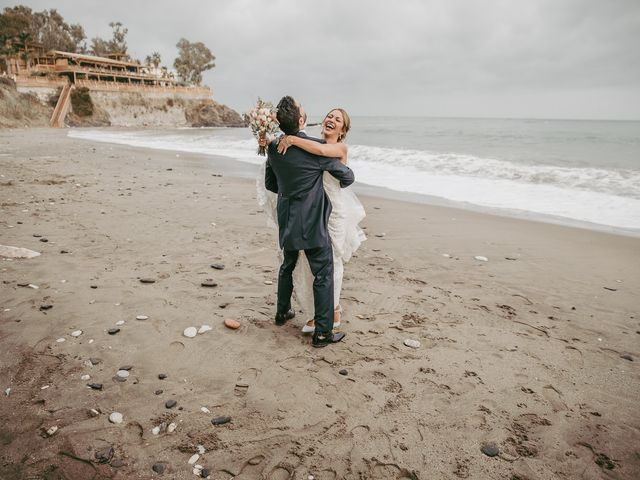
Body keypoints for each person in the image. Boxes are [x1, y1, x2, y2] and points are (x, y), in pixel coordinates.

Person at [264, 96, 354, 348]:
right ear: (301, 120)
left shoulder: (273, 147)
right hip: (312, 220)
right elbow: (346, 176)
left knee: (288, 264)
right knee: (324, 271)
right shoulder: (313, 147)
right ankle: (323, 333)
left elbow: (271, 184)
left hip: (288, 219)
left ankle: (282, 312)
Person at [277, 108, 366, 333]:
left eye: (338, 120)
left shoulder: (338, 148)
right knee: (312, 265)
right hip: (314, 210)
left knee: (333, 262)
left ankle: (332, 313)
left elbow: (318, 150)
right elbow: (311, 150)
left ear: (343, 130)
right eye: (330, 116)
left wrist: (292, 138)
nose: (331, 120)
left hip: (334, 210)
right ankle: (318, 314)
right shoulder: (313, 144)